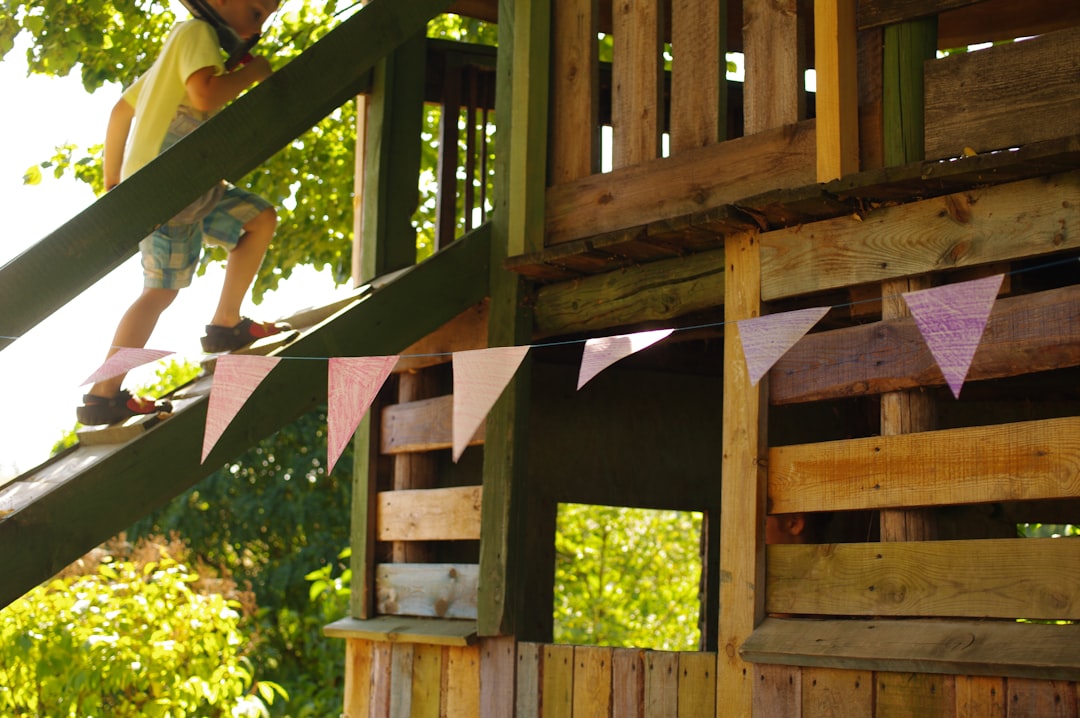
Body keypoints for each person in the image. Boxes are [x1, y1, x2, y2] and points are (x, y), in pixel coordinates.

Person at [77, 0, 287, 426]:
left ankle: (226, 323)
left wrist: (113, 180)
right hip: (167, 191)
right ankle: (103, 394)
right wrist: (253, 73)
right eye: (255, 9)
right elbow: (203, 94)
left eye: (266, 16)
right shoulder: (197, 34)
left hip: (196, 186)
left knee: (259, 219)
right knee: (159, 292)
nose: (258, 23)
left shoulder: (184, 46)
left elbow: (121, 111)